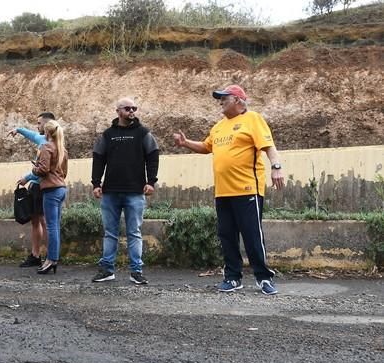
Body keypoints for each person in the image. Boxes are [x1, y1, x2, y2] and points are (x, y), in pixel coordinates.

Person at [173, 84, 285, 295]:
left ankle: (264, 278)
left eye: (225, 97)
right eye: (220, 98)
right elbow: (207, 147)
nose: (220, 101)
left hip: (247, 189)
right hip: (223, 192)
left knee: (252, 236)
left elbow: (269, 147)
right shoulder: (218, 127)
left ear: (238, 101)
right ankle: (233, 278)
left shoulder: (253, 119)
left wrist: (276, 167)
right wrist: (186, 142)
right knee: (226, 236)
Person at [91, 97, 160, 285]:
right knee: (110, 232)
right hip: (110, 192)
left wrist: (151, 181)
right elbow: (98, 158)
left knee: (134, 232)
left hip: (135, 192)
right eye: (128, 108)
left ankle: (136, 271)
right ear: (118, 111)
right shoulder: (107, 135)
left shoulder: (143, 133)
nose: (132, 111)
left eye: (134, 108)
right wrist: (96, 183)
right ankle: (107, 270)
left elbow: (153, 156)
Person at [8, 112, 56, 267]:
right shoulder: (42, 139)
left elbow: (44, 169)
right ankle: (35, 256)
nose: (37, 126)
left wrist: (27, 178)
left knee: (44, 221)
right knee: (36, 221)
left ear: (48, 125)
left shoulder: (51, 144)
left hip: (43, 186)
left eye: (39, 123)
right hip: (35, 186)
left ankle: (50, 256)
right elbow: (31, 134)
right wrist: (18, 130)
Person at [31, 120, 68, 274]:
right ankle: (53, 259)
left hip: (51, 190)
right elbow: (64, 172)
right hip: (61, 188)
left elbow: (44, 170)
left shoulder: (47, 147)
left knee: (51, 226)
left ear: (47, 133)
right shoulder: (62, 150)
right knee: (55, 226)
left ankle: (51, 259)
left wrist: (35, 168)